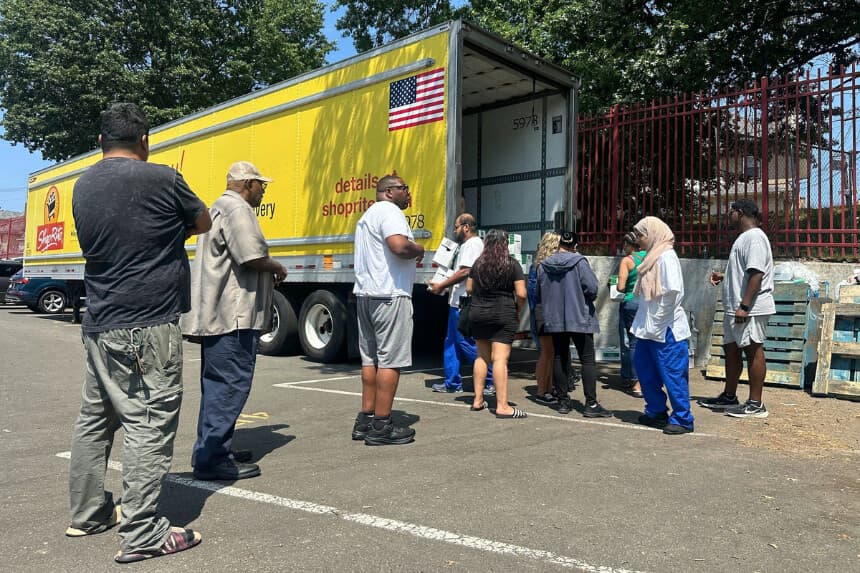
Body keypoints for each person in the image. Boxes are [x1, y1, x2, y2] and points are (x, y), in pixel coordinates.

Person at [68, 103, 211, 563]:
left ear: (100, 143)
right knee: (149, 422)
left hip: (100, 321)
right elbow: (203, 222)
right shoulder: (164, 178)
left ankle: (89, 512)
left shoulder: (82, 183)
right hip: (149, 322)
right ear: (145, 141)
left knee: (96, 418)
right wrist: (174, 230)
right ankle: (143, 533)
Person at [182, 161, 288, 481]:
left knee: (217, 386)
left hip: (219, 316)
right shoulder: (237, 209)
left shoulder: (217, 207)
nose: (263, 190)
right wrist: (276, 267)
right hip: (235, 317)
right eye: (260, 185)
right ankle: (212, 459)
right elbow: (250, 257)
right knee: (229, 387)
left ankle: (213, 449)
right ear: (246, 183)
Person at [352, 174, 425, 445]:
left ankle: (366, 417)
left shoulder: (367, 216)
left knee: (369, 359)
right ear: (389, 192)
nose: (408, 194)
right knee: (390, 360)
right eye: (405, 189)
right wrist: (418, 248)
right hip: (390, 295)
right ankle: (382, 425)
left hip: (366, 295)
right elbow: (398, 246)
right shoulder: (390, 211)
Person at [699, 199, 774, 418]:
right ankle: (729, 396)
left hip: (750, 307)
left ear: (739, 213)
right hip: (736, 307)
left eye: (730, 211)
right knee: (732, 350)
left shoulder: (755, 238)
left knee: (753, 349)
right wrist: (724, 276)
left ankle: (756, 404)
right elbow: (745, 271)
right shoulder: (744, 239)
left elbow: (757, 274)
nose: (728, 215)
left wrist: (744, 306)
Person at [630, 217, 694, 435]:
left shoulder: (666, 256)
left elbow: (672, 293)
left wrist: (658, 323)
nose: (638, 239)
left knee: (673, 374)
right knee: (645, 371)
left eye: (641, 234)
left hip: (667, 328)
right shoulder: (651, 257)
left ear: (654, 233)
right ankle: (656, 411)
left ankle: (683, 418)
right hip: (647, 328)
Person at [537, 231, 611, 417]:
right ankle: (591, 404)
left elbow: (539, 291)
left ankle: (562, 401)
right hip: (580, 316)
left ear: (559, 244)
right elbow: (592, 288)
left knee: (559, 357)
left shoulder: (543, 265)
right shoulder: (579, 262)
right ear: (575, 246)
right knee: (587, 359)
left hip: (554, 318)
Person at [428, 213, 494, 395]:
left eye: (456, 226)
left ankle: (490, 379)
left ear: (466, 227)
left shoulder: (472, 245)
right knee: (452, 343)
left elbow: (465, 271)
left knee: (465, 342)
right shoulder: (466, 245)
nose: (455, 230)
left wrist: (442, 284)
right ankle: (452, 382)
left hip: (465, 303)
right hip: (456, 302)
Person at [466, 229, 528, 417]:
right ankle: (502, 406)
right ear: (505, 244)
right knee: (500, 359)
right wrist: (517, 309)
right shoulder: (512, 264)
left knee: (481, 356)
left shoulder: (478, 264)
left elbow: (469, 289)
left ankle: (477, 400)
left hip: (478, 312)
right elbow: (522, 293)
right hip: (503, 312)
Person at [528, 231, 560, 404]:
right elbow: (534, 295)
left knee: (549, 353)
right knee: (546, 353)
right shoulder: (542, 267)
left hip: (542, 313)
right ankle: (542, 391)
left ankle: (547, 388)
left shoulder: (539, 265)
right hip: (543, 314)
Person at [614, 232, 646, 397]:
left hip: (631, 302)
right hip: (647, 302)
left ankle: (634, 382)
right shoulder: (648, 256)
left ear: (629, 245)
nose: (623, 248)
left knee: (631, 343)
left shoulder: (627, 261)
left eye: (624, 245)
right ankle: (644, 380)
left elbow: (620, 286)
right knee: (645, 342)